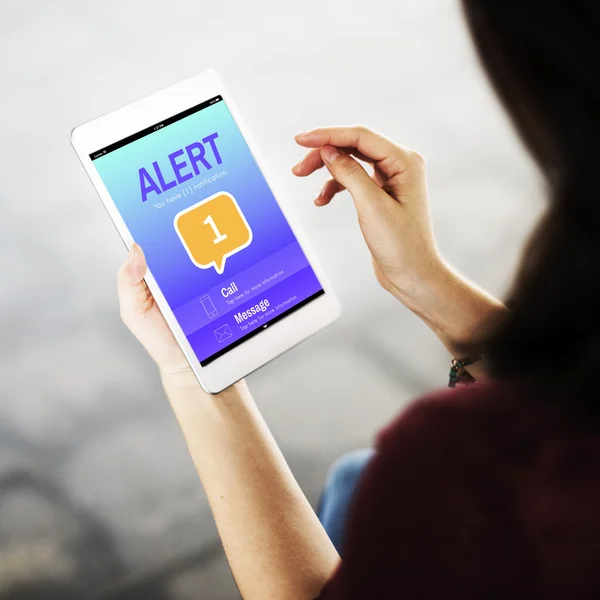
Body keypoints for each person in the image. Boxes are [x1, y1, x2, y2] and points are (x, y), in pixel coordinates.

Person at [117, 1, 600, 597]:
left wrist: (191, 373)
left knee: (363, 483)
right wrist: (421, 277)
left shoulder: (456, 455)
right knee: (352, 478)